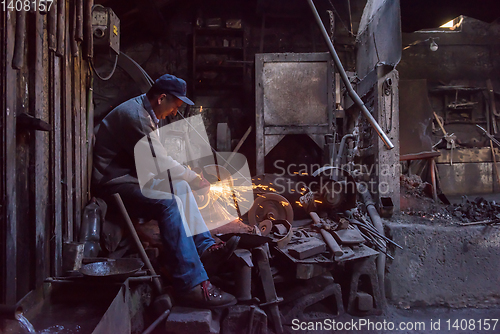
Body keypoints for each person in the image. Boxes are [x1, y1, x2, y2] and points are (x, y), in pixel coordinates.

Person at [92, 74, 239, 309]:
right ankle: (191, 285)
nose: (174, 113)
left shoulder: (146, 111)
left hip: (133, 177)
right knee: (169, 203)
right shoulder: (136, 117)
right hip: (115, 183)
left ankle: (204, 249)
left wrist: (186, 178)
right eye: (175, 107)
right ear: (161, 98)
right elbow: (160, 162)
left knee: (179, 187)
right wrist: (193, 177)